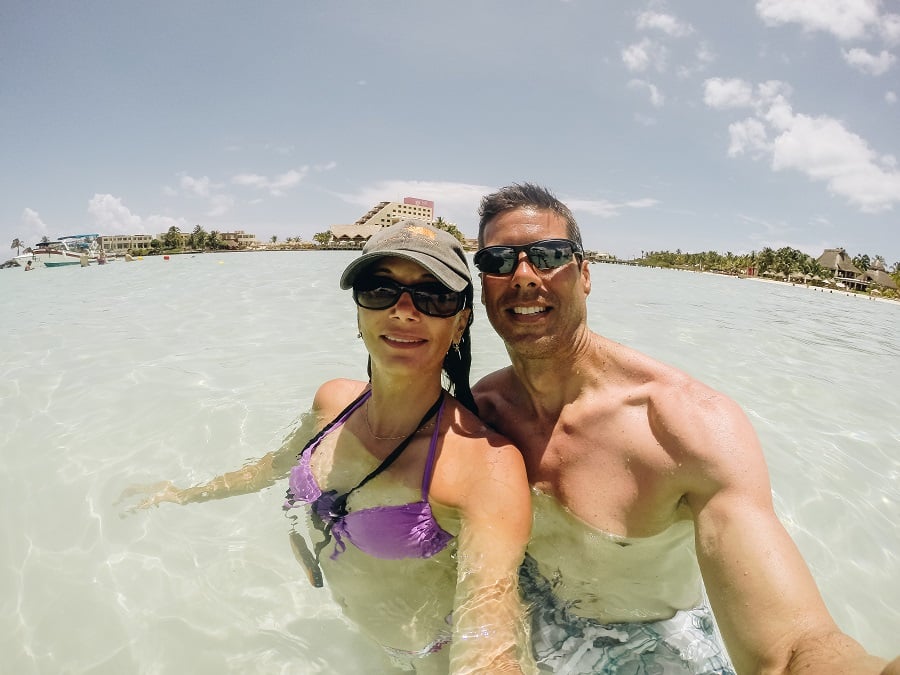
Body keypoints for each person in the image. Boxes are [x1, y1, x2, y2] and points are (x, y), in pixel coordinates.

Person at [470, 183, 899, 675]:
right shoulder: (482, 411)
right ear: (483, 283)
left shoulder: (685, 428)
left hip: (650, 646)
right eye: (499, 261)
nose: (524, 276)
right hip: (528, 621)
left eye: (549, 256)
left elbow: (792, 646)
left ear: (585, 275)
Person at [120, 220, 534, 674]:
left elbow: (491, 623)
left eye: (433, 296)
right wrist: (183, 494)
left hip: (423, 658)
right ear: (358, 312)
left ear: (460, 322)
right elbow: (270, 467)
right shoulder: (332, 401)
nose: (402, 310)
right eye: (379, 290)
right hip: (354, 627)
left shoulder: (485, 465)